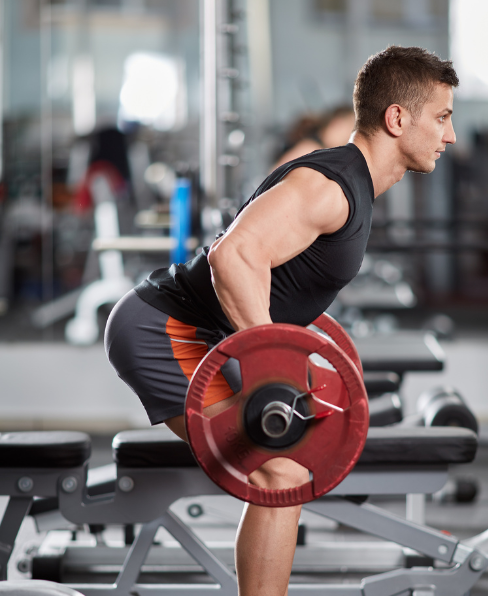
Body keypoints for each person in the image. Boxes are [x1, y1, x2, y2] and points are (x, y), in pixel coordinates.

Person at [105, 45, 458, 596]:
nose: (450, 135)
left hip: (195, 332)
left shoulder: (355, 186)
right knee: (281, 471)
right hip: (162, 330)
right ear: (397, 118)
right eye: (441, 117)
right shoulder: (333, 185)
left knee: (283, 468)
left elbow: (270, 277)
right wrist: (271, 367)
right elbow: (234, 257)